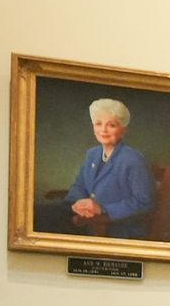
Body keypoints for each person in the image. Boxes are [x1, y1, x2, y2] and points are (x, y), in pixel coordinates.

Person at [34, 99, 156, 239]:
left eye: (111, 125)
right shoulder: (93, 154)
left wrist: (102, 208)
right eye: (98, 123)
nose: (103, 130)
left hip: (113, 227)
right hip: (83, 218)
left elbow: (144, 202)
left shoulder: (133, 160)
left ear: (123, 130)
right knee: (34, 214)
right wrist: (77, 203)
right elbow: (79, 186)